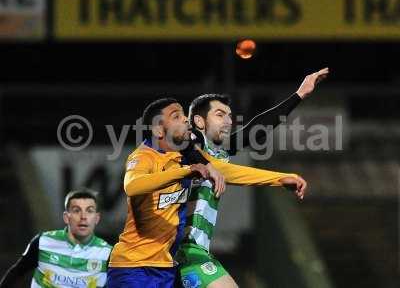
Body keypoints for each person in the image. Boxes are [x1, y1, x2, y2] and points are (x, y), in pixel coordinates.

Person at [107, 98, 306, 288]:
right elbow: (132, 186)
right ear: (159, 128)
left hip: (165, 267)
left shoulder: (184, 155)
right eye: (176, 116)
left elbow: (226, 171)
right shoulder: (143, 157)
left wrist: (279, 179)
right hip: (132, 266)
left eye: (184, 114)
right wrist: (187, 171)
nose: (185, 118)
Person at [176, 68, 329, 288]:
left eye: (229, 115)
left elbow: (256, 129)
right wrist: (279, 178)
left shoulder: (216, 150)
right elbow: (221, 169)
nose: (228, 121)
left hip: (189, 251)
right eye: (220, 115)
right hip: (182, 250)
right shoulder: (190, 146)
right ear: (199, 122)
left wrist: (299, 95)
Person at [0, 189, 112, 288]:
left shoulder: (109, 254)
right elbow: (16, 273)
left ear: (97, 218)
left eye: (89, 211)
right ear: (66, 217)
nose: (83, 217)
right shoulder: (42, 241)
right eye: (77, 210)